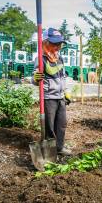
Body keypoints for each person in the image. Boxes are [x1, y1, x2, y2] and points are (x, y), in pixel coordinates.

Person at [32, 28, 72, 156]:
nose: (57, 46)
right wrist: (35, 78)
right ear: (46, 42)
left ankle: (59, 148)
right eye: (55, 43)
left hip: (60, 97)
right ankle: (50, 151)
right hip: (48, 97)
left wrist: (66, 91)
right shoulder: (41, 59)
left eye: (59, 44)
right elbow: (35, 78)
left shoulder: (59, 58)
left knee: (61, 124)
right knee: (49, 126)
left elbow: (63, 77)